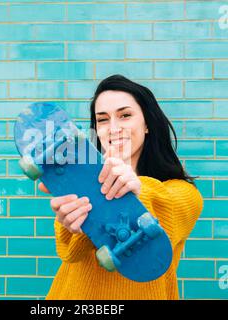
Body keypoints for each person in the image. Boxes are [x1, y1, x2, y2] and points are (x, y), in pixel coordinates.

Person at [40, 74, 204, 300]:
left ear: (147, 124)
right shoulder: (83, 188)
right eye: (103, 120)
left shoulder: (183, 194)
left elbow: (163, 204)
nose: (113, 128)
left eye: (125, 115)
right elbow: (70, 253)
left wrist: (135, 189)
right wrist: (69, 224)